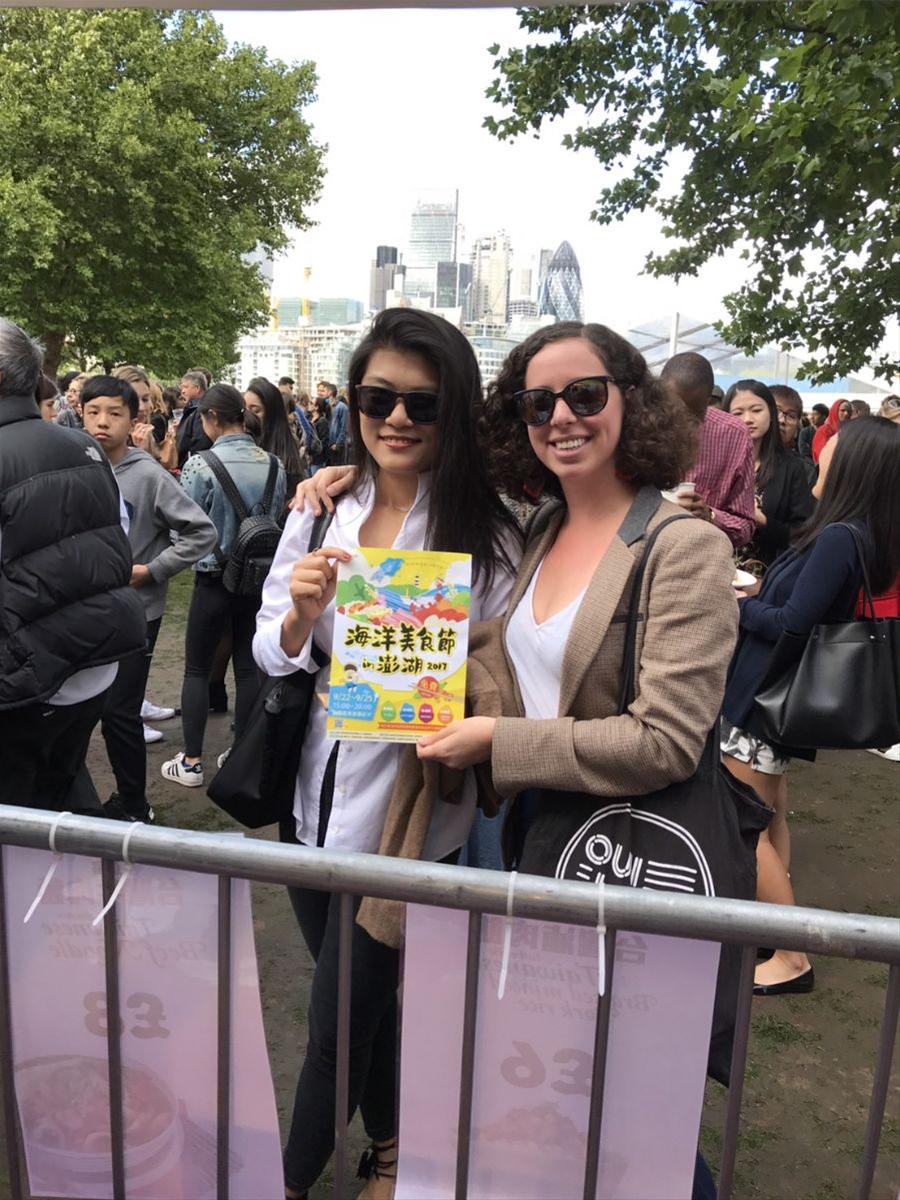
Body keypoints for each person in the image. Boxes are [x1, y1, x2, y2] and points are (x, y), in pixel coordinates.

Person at [415, 322, 737, 1200]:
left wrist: (497, 742)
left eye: (584, 394)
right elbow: (523, 653)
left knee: (639, 1108)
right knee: (561, 1079)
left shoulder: (684, 547)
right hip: (538, 841)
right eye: (537, 402)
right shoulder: (545, 525)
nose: (561, 416)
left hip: (631, 859)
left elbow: (666, 739)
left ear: (631, 402)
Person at [253, 307, 520, 1200]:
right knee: (360, 1006)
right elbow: (268, 650)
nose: (397, 419)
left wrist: (459, 686)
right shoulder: (321, 508)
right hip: (310, 797)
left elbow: (508, 663)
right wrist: (299, 616)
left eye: (423, 403)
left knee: (338, 1020)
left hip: (409, 813)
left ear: (456, 412)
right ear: (356, 400)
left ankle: (286, 1180)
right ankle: (399, 1145)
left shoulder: (487, 534)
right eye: (379, 398)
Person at [721, 416, 900, 992]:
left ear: (855, 466)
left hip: (763, 695)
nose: (819, 453)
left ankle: (792, 957)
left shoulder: (840, 536)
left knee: (744, 824)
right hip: (775, 697)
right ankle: (774, 931)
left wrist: (736, 605)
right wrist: (758, 593)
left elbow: (793, 624)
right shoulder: (852, 531)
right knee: (768, 816)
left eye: (832, 448)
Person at [0, 319, 146, 810]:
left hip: (30, 682)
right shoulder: (83, 448)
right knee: (61, 787)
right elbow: (119, 537)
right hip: (92, 668)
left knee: (24, 813)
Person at [71, 376, 217, 821]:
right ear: (81, 414)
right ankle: (77, 800)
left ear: (133, 418)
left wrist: (152, 570)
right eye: (94, 412)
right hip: (82, 610)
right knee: (78, 708)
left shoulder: (149, 475)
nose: (102, 422)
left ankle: (135, 804)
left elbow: (202, 533)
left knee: (120, 711)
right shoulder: (74, 466)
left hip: (135, 612)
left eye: (114, 413)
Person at [162, 384, 286, 788]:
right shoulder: (273, 464)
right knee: (247, 667)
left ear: (212, 417)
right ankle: (237, 754)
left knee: (198, 668)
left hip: (213, 576)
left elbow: (185, 523)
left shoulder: (201, 464)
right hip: (257, 578)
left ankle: (192, 762)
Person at [659, 351, 755, 548]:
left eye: (692, 416)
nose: (680, 422)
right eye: (672, 408)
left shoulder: (734, 436)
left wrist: (709, 516)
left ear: (708, 400)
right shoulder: (633, 424)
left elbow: (745, 526)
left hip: (695, 553)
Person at [724, 380, 814, 568]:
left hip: (763, 573)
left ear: (771, 414)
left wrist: (763, 521)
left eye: (756, 410)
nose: (748, 419)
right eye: (738, 413)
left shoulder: (791, 467)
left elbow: (803, 533)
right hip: (715, 566)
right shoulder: (716, 460)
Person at [244, 376, 309, 500]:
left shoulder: (286, 453)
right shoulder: (240, 446)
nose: (247, 417)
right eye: (244, 410)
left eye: (255, 411)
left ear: (272, 414)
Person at [175, 369, 213, 466]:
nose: (182, 391)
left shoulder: (201, 411)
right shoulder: (192, 409)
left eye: (185, 387)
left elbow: (199, 444)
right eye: (182, 387)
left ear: (197, 388)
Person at [811, 397, 852, 463]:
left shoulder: (850, 431)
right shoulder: (824, 430)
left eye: (849, 411)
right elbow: (822, 455)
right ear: (835, 411)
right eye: (842, 410)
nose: (846, 413)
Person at [323, 379, 349, 465]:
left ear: (330, 392)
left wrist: (338, 444)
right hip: (327, 444)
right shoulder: (325, 404)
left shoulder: (342, 407)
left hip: (336, 445)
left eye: (324, 391)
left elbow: (344, 427)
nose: (322, 393)